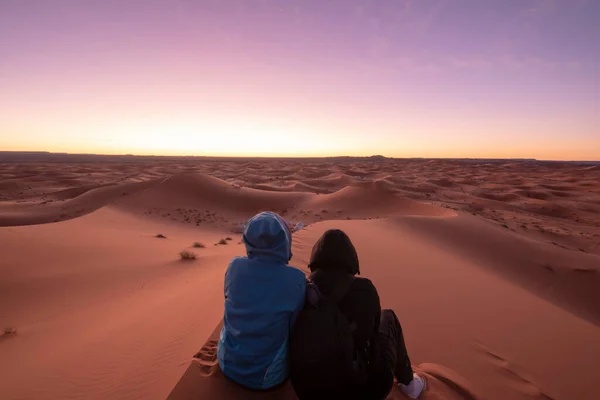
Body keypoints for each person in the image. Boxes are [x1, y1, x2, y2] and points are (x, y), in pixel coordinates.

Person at [290, 229, 426, 399]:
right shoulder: (365, 290)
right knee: (389, 318)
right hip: (364, 390)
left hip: (308, 390)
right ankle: (410, 385)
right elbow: (373, 333)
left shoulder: (302, 289)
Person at [217, 211, 306, 390]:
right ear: (285, 241)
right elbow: (295, 326)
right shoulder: (296, 279)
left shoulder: (234, 267)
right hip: (268, 378)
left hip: (226, 364)